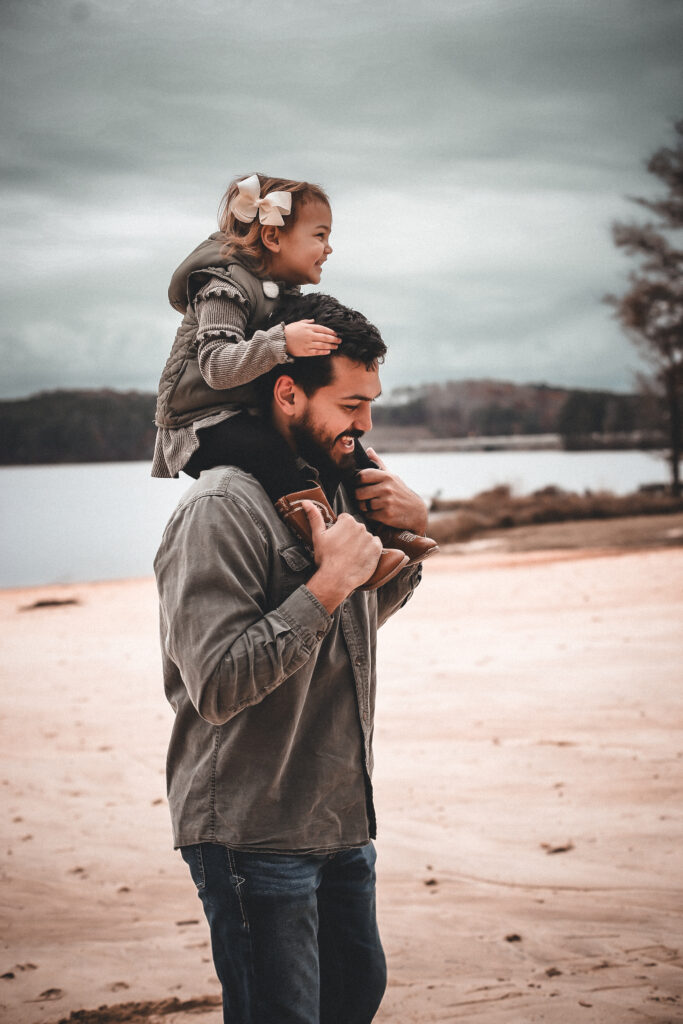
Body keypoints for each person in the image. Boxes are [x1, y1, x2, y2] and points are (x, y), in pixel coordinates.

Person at [154, 293, 429, 1023]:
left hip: (338, 816)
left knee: (353, 1000)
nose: (365, 424)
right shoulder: (219, 509)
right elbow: (215, 684)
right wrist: (330, 579)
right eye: (350, 403)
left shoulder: (337, 490)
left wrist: (402, 545)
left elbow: (351, 628)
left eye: (370, 403)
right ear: (286, 390)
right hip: (252, 831)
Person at [152, 172, 437, 588]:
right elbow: (214, 367)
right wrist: (281, 342)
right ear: (273, 237)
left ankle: (386, 536)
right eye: (320, 235)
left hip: (241, 410)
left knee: (349, 452)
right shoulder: (221, 285)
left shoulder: (279, 291)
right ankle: (326, 546)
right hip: (199, 422)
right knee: (272, 456)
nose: (329, 248)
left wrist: (415, 516)